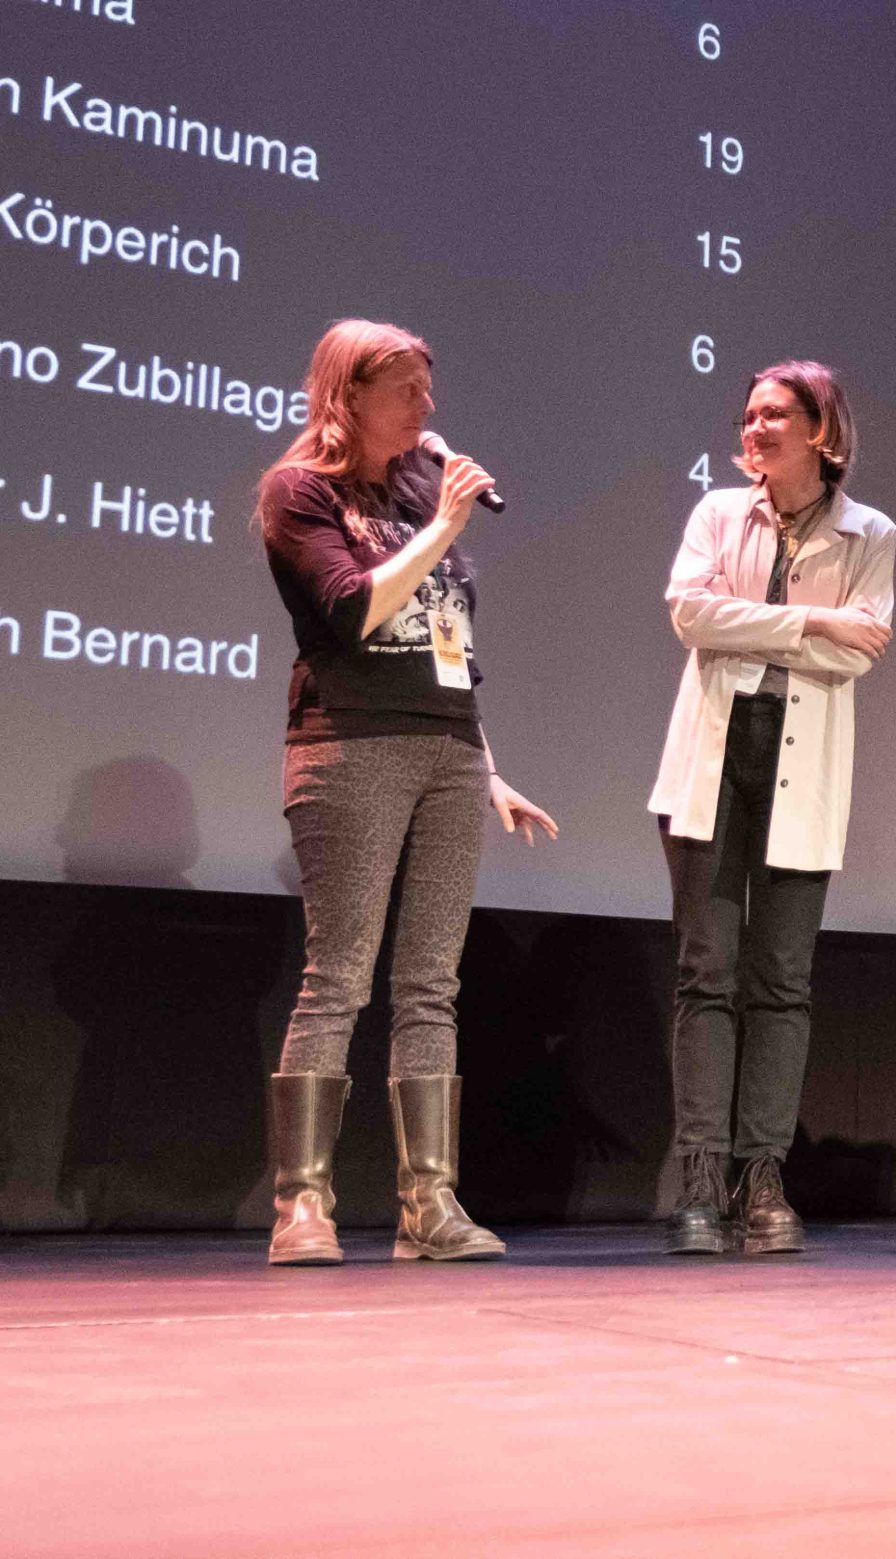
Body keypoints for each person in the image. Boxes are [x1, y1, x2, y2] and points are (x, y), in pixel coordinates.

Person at [257, 318, 557, 1266]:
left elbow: (446, 646)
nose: (428, 411)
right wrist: (441, 530)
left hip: (446, 751)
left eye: (429, 390)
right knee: (339, 975)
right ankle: (301, 1203)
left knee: (432, 983)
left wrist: (487, 764)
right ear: (348, 393)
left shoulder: (421, 489)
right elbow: (351, 609)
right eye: (408, 392)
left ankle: (429, 1201)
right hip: (350, 747)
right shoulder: (297, 491)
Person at [647, 361, 896, 1256]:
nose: (753, 430)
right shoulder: (717, 513)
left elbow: (864, 647)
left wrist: (775, 625)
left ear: (821, 430)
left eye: (773, 416)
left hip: (803, 765)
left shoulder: (872, 532)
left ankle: (762, 1178)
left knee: (782, 983)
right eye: (748, 415)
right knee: (705, 975)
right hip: (712, 763)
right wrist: (811, 625)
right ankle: (702, 1178)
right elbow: (690, 616)